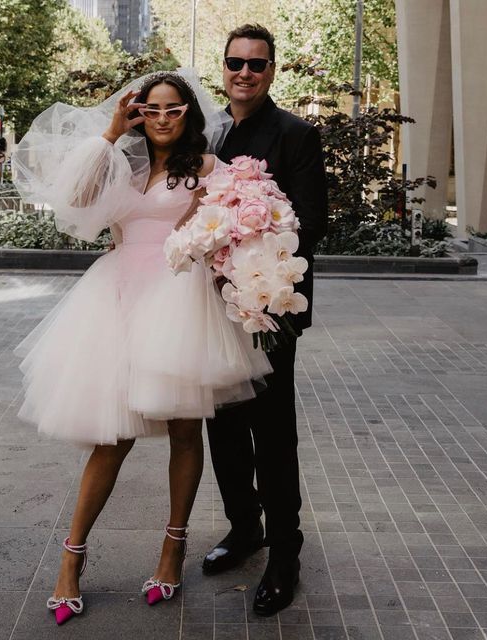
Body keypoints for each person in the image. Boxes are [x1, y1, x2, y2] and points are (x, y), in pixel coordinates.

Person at [12, 71, 271, 625]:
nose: (161, 118)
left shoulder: (207, 169)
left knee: (184, 431)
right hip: (117, 298)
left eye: (172, 109)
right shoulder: (120, 162)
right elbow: (75, 201)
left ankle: (171, 552)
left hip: (179, 304)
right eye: (150, 109)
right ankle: (70, 560)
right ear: (137, 113)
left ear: (188, 113)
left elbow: (231, 230)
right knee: (112, 438)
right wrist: (108, 134)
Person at [202, 24, 328, 616]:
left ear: (272, 71)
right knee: (222, 427)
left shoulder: (297, 134)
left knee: (272, 434)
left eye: (256, 64)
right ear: (222, 68)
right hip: (209, 306)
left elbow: (308, 222)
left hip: (269, 305)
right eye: (235, 63)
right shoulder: (209, 132)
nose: (244, 73)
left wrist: (240, 226)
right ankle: (243, 527)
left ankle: (285, 555)